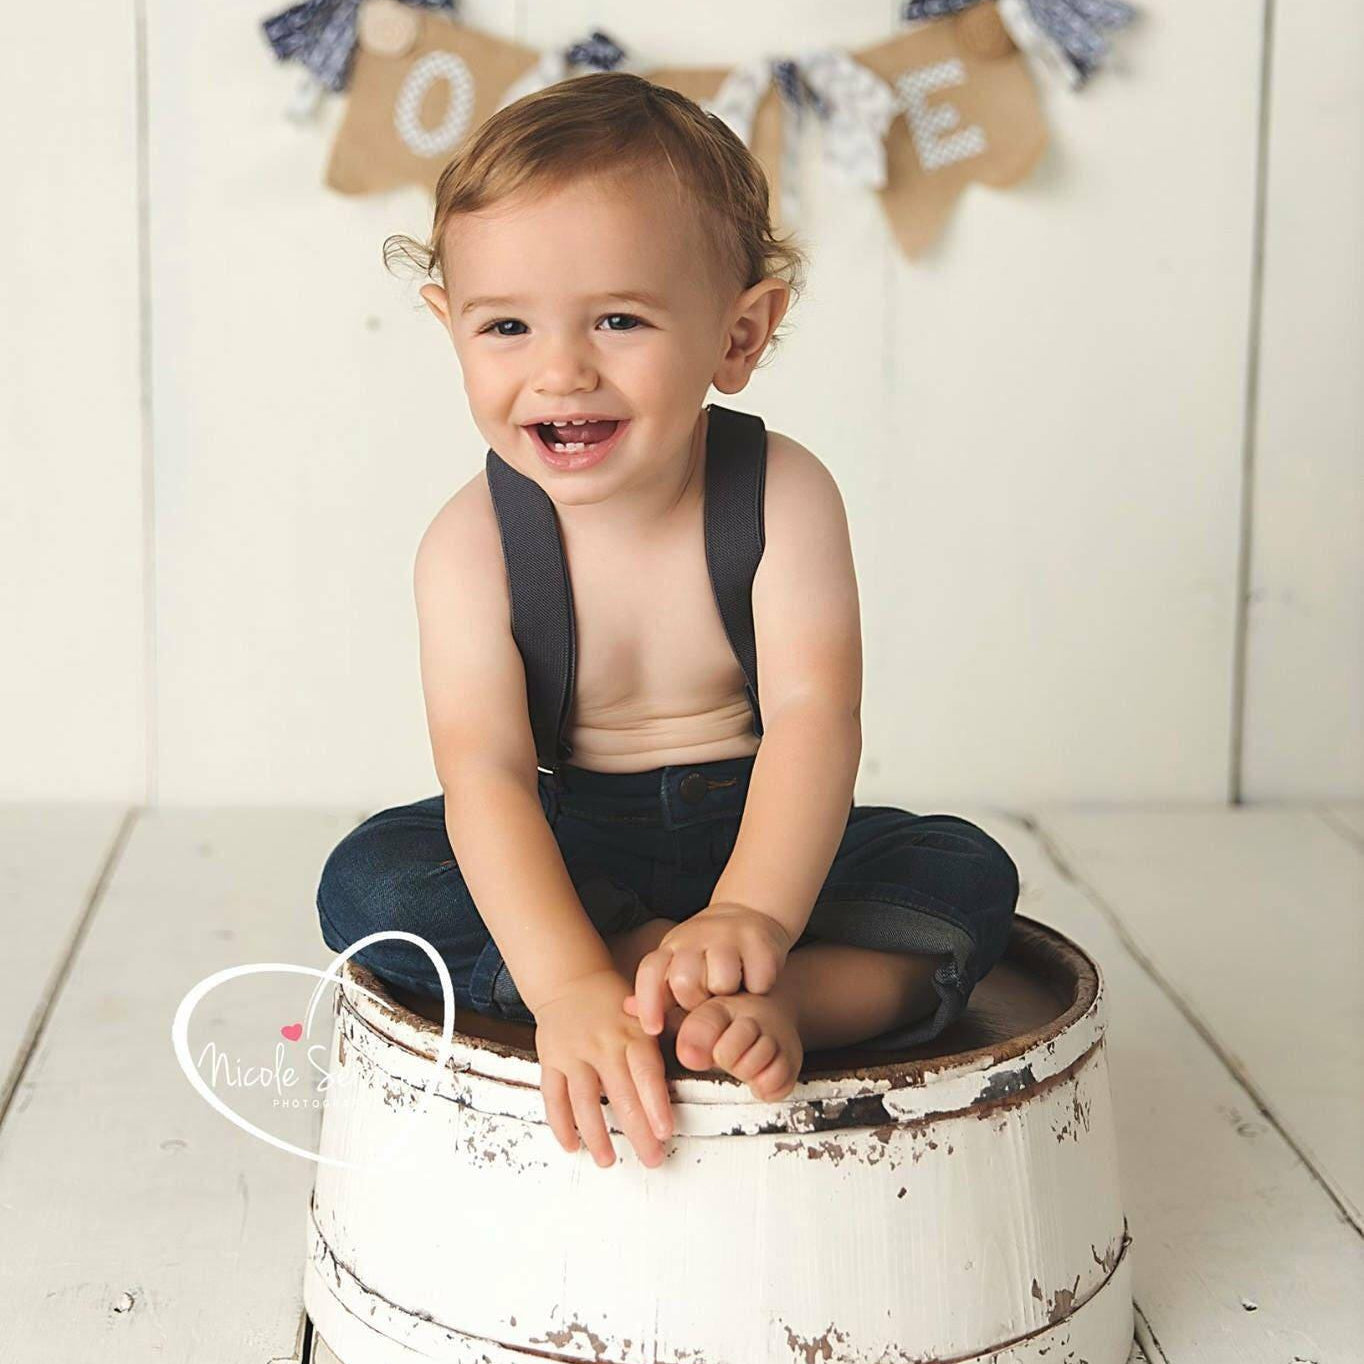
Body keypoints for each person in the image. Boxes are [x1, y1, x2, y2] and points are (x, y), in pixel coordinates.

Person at [316, 71, 1020, 1172]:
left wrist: (753, 908)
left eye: (617, 319)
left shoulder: (781, 492)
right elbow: (489, 776)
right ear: (448, 326)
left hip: (767, 826)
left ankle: (785, 995)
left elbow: (811, 717)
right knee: (373, 881)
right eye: (505, 324)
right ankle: (641, 975)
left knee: (963, 869)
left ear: (738, 335)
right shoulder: (470, 545)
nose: (561, 369)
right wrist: (566, 984)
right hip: (575, 847)